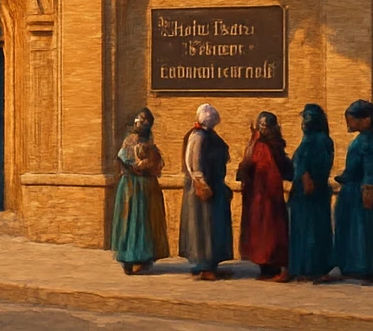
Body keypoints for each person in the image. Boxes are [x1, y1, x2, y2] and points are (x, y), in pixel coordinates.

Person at [334, 99, 373, 282]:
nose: (349, 123)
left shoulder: (372, 141)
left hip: (363, 192)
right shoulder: (363, 139)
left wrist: (369, 187)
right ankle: (352, 265)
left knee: (366, 230)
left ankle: (369, 267)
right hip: (353, 190)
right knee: (354, 229)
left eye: (353, 119)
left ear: (366, 120)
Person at [110, 108, 170, 274]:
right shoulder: (131, 140)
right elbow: (125, 160)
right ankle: (131, 257)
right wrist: (138, 166)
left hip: (145, 186)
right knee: (133, 220)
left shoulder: (148, 141)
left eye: (145, 121)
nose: (141, 123)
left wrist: (150, 164)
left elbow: (157, 163)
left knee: (143, 221)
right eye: (140, 119)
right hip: (132, 186)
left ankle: (141, 258)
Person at [237, 111, 293, 281]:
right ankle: (266, 266)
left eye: (266, 126)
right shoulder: (258, 145)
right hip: (260, 196)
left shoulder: (272, 144)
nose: (263, 129)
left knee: (271, 231)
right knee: (262, 231)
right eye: (261, 126)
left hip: (268, 196)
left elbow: (281, 169)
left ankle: (273, 266)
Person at [179, 103, 233, 280]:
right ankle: (203, 265)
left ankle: (211, 264)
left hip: (215, 187)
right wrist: (201, 183)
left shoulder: (210, 135)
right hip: (203, 190)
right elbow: (193, 162)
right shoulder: (198, 136)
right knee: (202, 226)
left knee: (213, 226)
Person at [287, 103, 336, 282]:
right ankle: (310, 268)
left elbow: (305, 166)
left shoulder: (314, 140)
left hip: (310, 192)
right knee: (312, 229)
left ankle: (310, 268)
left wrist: (308, 181)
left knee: (311, 230)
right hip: (312, 192)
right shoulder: (320, 139)